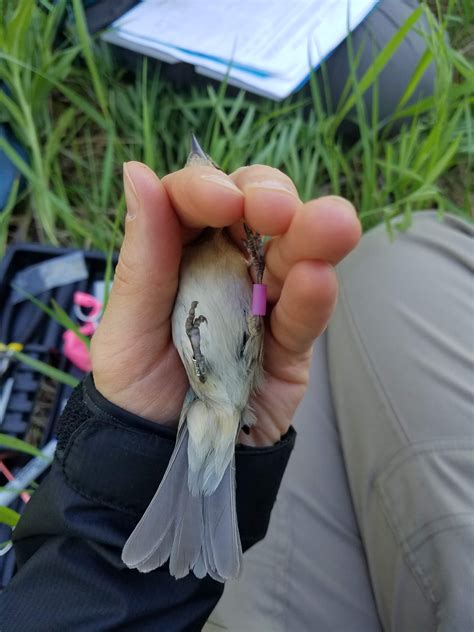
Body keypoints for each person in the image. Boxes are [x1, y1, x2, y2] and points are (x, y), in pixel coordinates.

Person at [0, 162, 361, 630]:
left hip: (221, 391)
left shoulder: (234, 257)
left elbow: (257, 307)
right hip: (213, 395)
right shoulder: (204, 257)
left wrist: (254, 291)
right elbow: (250, 307)